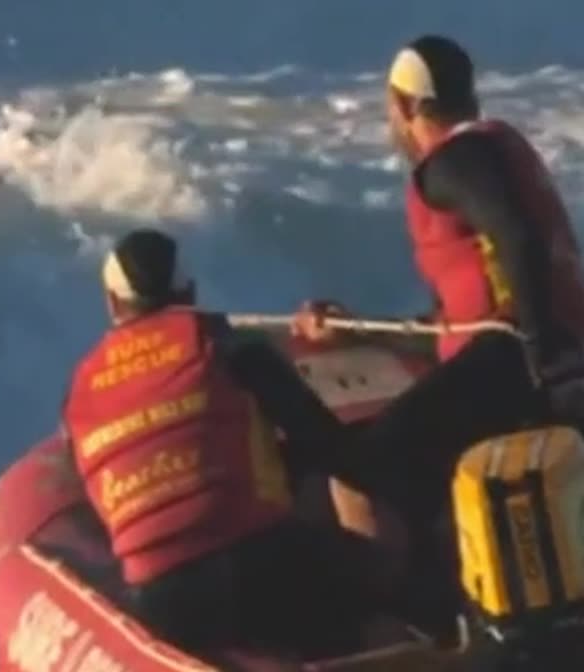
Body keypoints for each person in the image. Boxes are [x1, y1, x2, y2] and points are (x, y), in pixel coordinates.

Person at [293, 34, 584, 635]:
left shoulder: (453, 161)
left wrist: (542, 356)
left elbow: (518, 240)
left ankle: (415, 631)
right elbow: (471, 307)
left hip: (512, 359)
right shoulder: (500, 148)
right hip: (514, 351)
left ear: (405, 107)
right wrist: (349, 329)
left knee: (359, 472)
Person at [60, 228, 377, 659]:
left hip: (162, 600)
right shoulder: (223, 341)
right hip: (263, 564)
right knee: (369, 597)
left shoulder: (79, 390)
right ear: (188, 290)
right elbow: (323, 440)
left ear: (112, 303)